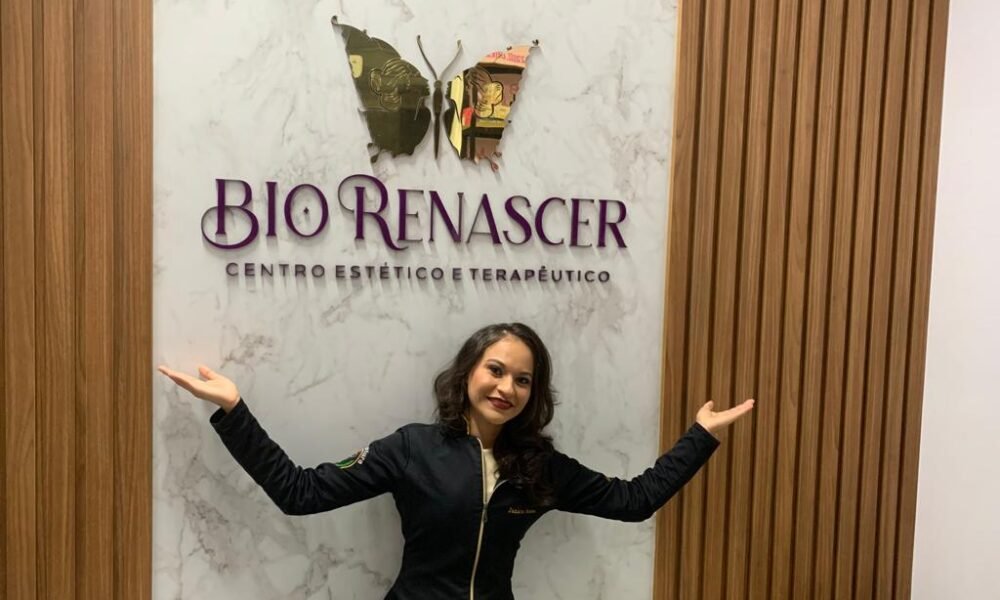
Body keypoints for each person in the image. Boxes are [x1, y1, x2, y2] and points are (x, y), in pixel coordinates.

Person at [158, 322, 754, 600]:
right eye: (496, 369)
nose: (506, 387)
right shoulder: (412, 448)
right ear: (469, 371)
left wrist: (700, 436)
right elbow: (300, 492)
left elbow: (635, 500)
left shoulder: (539, 467)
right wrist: (234, 410)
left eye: (523, 379)